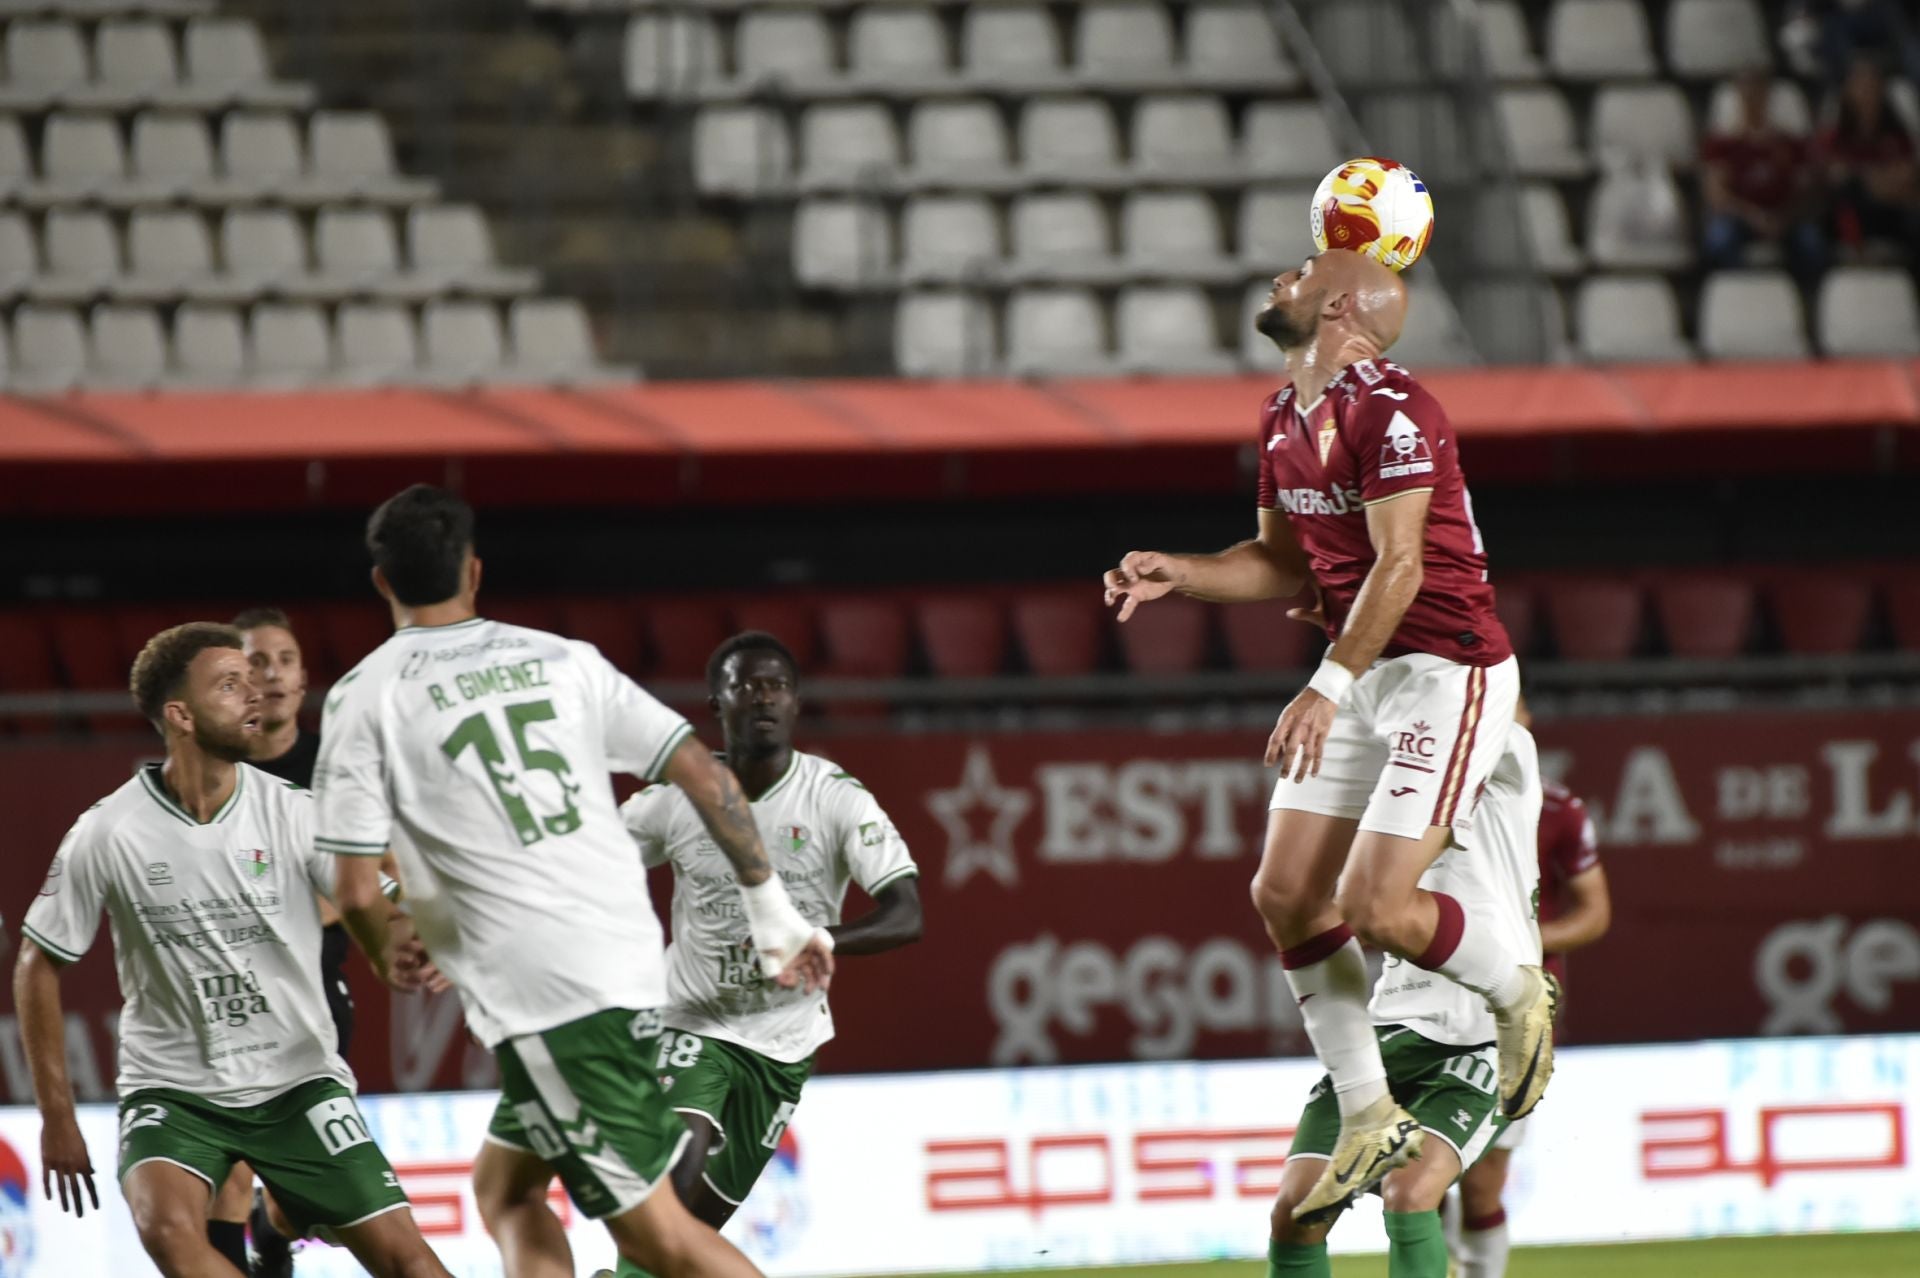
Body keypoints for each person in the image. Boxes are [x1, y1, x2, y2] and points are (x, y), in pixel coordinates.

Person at [1103, 249, 1553, 1221]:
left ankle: (1521, 999)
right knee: (1285, 893)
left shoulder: (1394, 409)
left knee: (1379, 904)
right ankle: (1364, 1112)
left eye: (1297, 272)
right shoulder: (1281, 418)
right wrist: (1177, 570)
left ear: (1341, 303)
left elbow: (1397, 569)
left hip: (1447, 670)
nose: (1277, 280)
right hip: (1366, 674)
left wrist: (1325, 684)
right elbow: (1274, 563)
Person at [312, 484, 834, 1278]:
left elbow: (352, 890)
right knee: (504, 1191)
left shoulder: (366, 695)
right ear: (474, 571)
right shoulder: (563, 660)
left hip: (550, 998)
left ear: (382, 583)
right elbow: (703, 771)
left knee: (657, 1238)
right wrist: (771, 907)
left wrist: (389, 953)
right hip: (622, 965)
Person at [14, 622, 453, 1278]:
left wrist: (415, 940)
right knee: (167, 1231)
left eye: (253, 682)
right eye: (229, 685)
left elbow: (381, 909)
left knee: (410, 1262)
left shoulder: (298, 811)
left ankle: (279, 1227)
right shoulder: (107, 832)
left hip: (298, 1082)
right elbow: (36, 965)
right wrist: (58, 1118)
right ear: (180, 715)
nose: (255, 695)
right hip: (174, 1091)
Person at [606, 631, 921, 1274]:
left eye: (776, 684)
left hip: (783, 1048)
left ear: (797, 702)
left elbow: (907, 912)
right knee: (678, 1157)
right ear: (716, 701)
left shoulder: (835, 798)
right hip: (691, 1019)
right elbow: (587, 859)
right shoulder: (680, 795)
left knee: (689, 1236)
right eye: (746, 685)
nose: (763, 697)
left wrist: (826, 940)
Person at [1269, 718, 1544, 1278]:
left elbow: (1470, 727)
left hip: (1482, 1031)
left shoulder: (1507, 762)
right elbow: (1357, 920)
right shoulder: (1388, 812)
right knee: (1295, 1211)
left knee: (1411, 1192)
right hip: (1391, 1029)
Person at [1447, 706, 1610, 1278]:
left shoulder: (1559, 810)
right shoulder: (1424, 794)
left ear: (1527, 722)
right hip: (1433, 1000)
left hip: (1516, 1009)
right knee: (1419, 1169)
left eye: (1506, 708)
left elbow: (1594, 913)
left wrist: (1524, 940)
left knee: (1483, 1181)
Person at [226, 606, 330, 1277]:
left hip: (316, 991)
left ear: (303, 678)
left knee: (302, 1199)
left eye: (285, 659)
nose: (272, 674)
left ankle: (275, 1224)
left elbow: (380, 872)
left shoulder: (338, 766)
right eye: (255, 661)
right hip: (228, 997)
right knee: (230, 1167)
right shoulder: (213, 765)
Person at [1701, 69, 1826, 283]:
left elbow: (1807, 191)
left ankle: (1801, 297)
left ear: (1767, 97)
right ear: (1739, 98)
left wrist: (1784, 217)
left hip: (1785, 216)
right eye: (1746, 95)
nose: (1752, 101)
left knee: (1811, 241)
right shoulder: (1722, 145)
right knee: (1719, 239)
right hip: (1740, 217)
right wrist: (1752, 215)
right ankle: (1737, 293)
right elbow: (1716, 195)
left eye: (1757, 95)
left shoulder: (1789, 144)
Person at [1815, 57, 1920, 257]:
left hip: (1892, 211)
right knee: (1846, 193)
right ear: (1847, 93)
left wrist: (1867, 177)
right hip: (1853, 213)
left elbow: (1907, 176)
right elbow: (1832, 175)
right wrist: (1873, 178)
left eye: (1872, 87)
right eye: (1860, 87)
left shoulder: (1896, 135)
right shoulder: (1834, 137)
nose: (1866, 94)